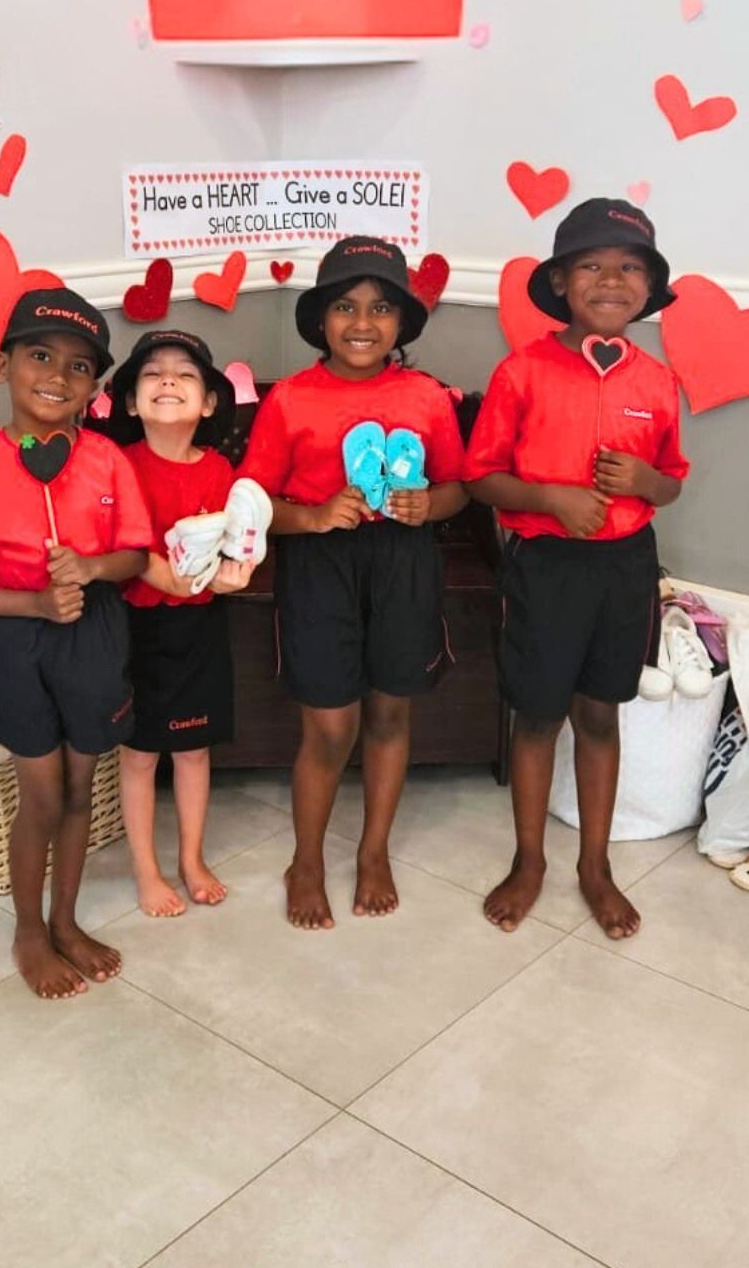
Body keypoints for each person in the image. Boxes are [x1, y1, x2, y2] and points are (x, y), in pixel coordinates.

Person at [465, 199, 689, 938]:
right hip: (546, 569)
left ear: (649, 288)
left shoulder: (656, 381)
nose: (611, 280)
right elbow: (480, 477)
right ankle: (529, 860)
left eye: (630, 268)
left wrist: (646, 483)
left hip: (624, 570)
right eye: (591, 265)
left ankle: (596, 866)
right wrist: (549, 498)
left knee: (599, 714)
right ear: (561, 281)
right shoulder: (521, 372)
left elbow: (671, 482)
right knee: (537, 715)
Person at [0, 288, 152, 998]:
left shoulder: (108, 462)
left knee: (83, 784)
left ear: (94, 386)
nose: (58, 376)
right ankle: (29, 930)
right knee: (44, 795)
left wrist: (90, 567)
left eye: (80, 366)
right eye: (41, 356)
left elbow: (136, 554)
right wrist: (34, 602)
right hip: (16, 639)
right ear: (4, 367)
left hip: (94, 632)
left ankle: (66, 921)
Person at [241, 236, 467, 930]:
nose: (362, 323)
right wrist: (311, 515)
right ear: (321, 319)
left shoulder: (426, 397)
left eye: (380, 308)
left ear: (401, 322)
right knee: (331, 726)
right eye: (345, 306)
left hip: (403, 562)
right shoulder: (290, 400)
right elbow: (250, 500)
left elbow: (458, 486)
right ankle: (306, 861)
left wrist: (429, 504)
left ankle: (373, 852)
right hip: (321, 566)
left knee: (391, 713)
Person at [105, 330, 252, 917]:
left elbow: (239, 541)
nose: (168, 380)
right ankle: (147, 870)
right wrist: (161, 574)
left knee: (193, 750)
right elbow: (120, 545)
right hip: (134, 630)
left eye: (185, 373)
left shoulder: (220, 471)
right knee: (139, 756)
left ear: (209, 403)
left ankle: (192, 859)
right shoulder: (118, 467)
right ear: (132, 402)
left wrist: (236, 572)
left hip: (199, 628)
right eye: (153, 373)